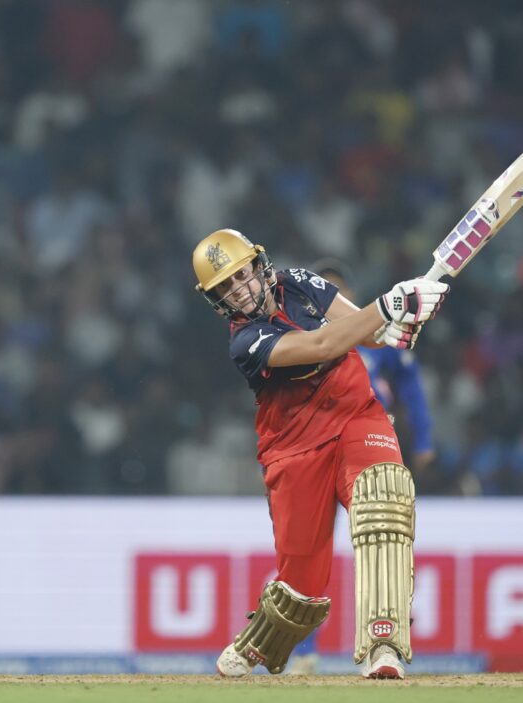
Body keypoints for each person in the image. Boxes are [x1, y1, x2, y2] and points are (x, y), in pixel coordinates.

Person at [192, 228, 449, 679]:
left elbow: (368, 334)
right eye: (225, 287)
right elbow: (323, 345)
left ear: (258, 265)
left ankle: (384, 644)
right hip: (294, 449)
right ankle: (258, 641)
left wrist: (399, 321)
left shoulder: (298, 282)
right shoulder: (245, 341)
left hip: (356, 416)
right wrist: (389, 306)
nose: (239, 289)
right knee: (301, 585)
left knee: (384, 499)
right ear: (217, 301)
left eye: (241, 275)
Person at [290, 258, 436, 675]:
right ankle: (304, 652)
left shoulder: (374, 336)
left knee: (384, 538)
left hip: (365, 447)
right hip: (313, 449)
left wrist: (423, 440)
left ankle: (384, 644)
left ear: (350, 296)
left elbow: (410, 385)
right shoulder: (296, 337)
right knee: (306, 552)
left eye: (337, 293)